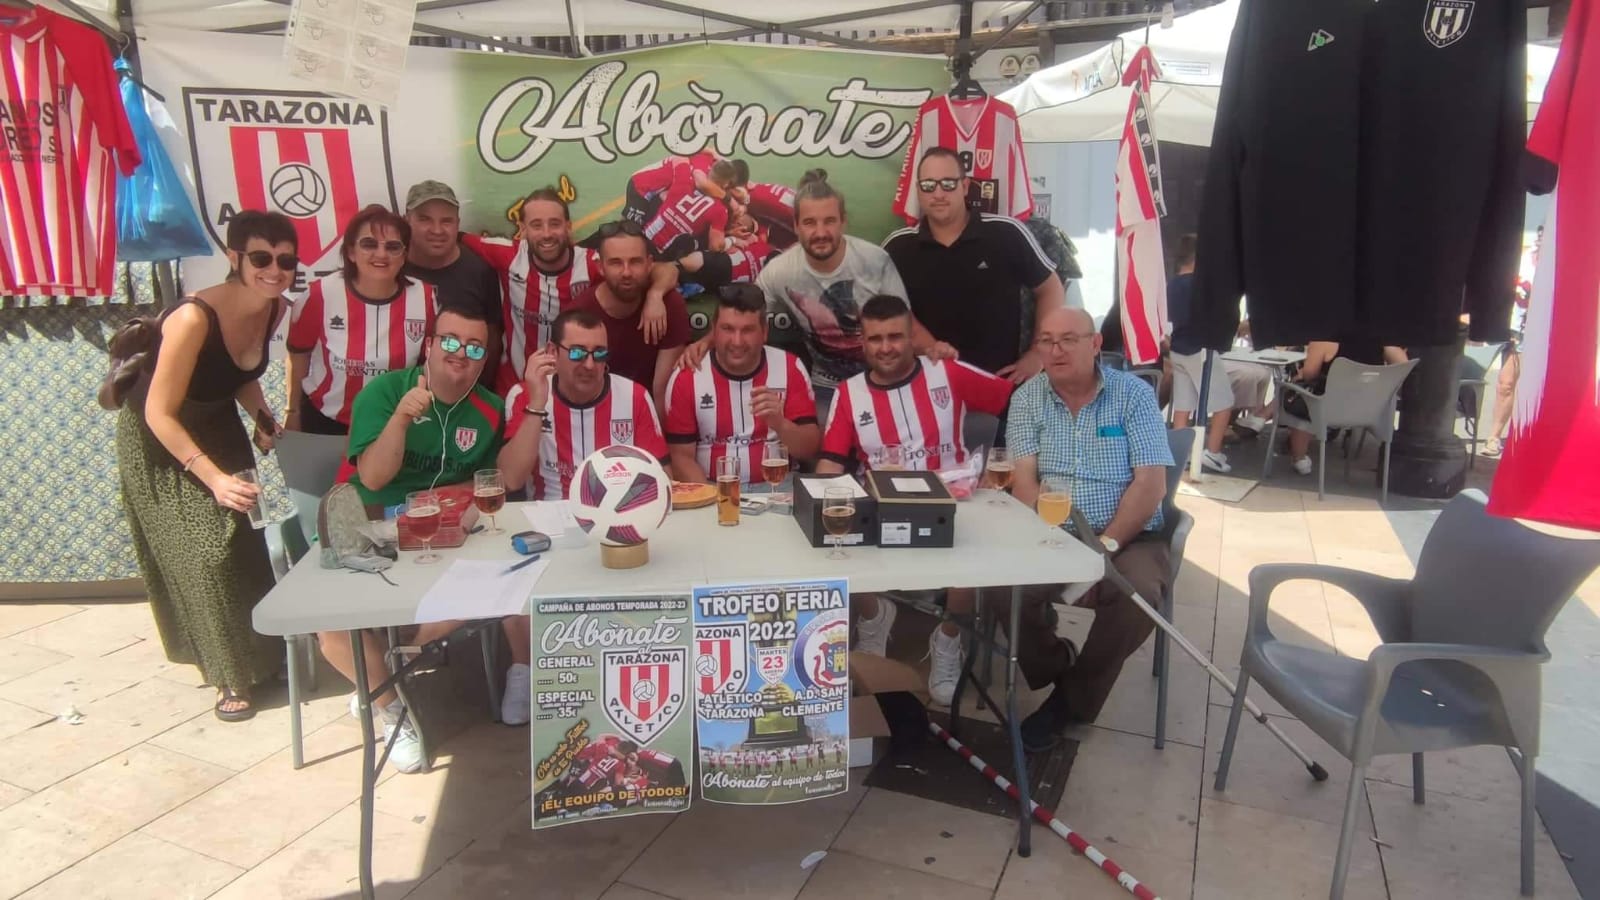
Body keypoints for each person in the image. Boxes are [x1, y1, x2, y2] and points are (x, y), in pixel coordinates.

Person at [316, 306, 545, 768]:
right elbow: (375, 478)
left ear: (484, 360)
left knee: (516, 577)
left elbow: (504, 478)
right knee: (332, 630)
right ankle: (389, 708)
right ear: (430, 345)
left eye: (474, 347)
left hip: (447, 537)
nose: (461, 353)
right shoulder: (384, 392)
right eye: (451, 341)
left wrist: (536, 402)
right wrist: (401, 418)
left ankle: (385, 672)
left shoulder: (489, 407)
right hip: (375, 532)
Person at [115, 210, 298, 722]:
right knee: (205, 552)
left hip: (218, 420)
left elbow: (238, 370)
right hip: (161, 438)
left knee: (245, 539)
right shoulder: (194, 317)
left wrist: (262, 418)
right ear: (234, 257)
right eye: (261, 258)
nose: (274, 270)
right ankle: (230, 675)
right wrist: (212, 477)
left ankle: (264, 652)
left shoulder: (274, 308)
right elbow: (158, 413)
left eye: (285, 260)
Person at [815, 295, 1013, 700]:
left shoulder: (947, 372)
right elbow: (831, 463)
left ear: (911, 339)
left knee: (974, 554)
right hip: (884, 510)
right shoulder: (850, 394)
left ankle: (948, 638)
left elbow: (1012, 399)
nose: (885, 347)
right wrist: (817, 504)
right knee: (833, 533)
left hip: (952, 502)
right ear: (862, 343)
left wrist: (1008, 464)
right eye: (875, 339)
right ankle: (873, 619)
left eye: (894, 337)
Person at [1004, 307, 1175, 750]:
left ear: (1095, 344)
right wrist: (1058, 542)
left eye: (1068, 340)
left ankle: (1070, 701)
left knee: (1139, 595)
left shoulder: (1133, 396)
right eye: (1046, 341)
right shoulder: (1027, 398)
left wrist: (1107, 545)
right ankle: (1053, 661)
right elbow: (1024, 479)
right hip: (1053, 528)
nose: (1055, 350)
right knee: (1004, 585)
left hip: (1130, 533)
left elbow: (1150, 483)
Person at [681, 170, 953, 412]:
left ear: (843, 222)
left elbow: (907, 325)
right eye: (810, 223)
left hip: (884, 379)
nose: (820, 232)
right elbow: (743, 313)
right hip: (826, 386)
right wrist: (703, 343)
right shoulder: (782, 270)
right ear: (796, 226)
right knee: (822, 463)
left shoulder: (873, 260)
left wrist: (937, 352)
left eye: (829, 221)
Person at [883, 147, 1067, 386]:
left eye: (948, 183)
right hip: (924, 391)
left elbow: (1051, 289)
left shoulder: (1006, 233)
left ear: (965, 186)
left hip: (999, 387)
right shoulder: (897, 246)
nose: (938, 193)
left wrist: (1038, 354)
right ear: (918, 190)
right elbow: (886, 315)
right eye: (928, 185)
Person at [465, 188, 673, 391]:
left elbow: (666, 269)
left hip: (572, 392)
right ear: (523, 228)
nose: (546, 234)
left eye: (554, 224)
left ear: (568, 226)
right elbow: (451, 239)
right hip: (514, 387)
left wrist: (655, 296)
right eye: (536, 225)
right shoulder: (506, 254)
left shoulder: (592, 263)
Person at [286, 204, 437, 435]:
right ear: (350, 252)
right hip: (327, 421)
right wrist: (293, 412)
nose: (381, 254)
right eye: (369, 244)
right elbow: (299, 354)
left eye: (393, 247)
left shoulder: (425, 297)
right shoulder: (320, 294)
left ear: (404, 255)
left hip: (393, 423)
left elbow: (429, 362)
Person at [504, 309, 669, 501]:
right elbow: (510, 480)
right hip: (548, 515)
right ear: (552, 352)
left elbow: (662, 477)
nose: (589, 365)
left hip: (618, 515)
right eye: (577, 353)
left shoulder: (635, 396)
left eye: (599, 353)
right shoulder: (524, 395)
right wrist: (537, 405)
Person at [664, 285, 821, 485]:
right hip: (712, 489)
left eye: (747, 330)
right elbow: (680, 458)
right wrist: (716, 503)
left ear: (764, 332)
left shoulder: (790, 368)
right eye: (728, 329)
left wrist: (780, 424)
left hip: (778, 488)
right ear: (714, 331)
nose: (737, 342)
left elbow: (809, 450)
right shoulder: (688, 376)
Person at [570, 221, 692, 406]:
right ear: (600, 267)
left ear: (649, 264)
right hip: (596, 413)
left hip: (648, 412)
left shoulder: (668, 304)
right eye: (616, 262)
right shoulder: (578, 316)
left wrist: (655, 295)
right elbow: (576, 391)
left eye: (635, 262)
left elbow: (662, 390)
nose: (626, 272)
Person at [402, 180, 503, 388]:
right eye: (425, 219)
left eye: (446, 221)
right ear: (407, 221)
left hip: (459, 393)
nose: (437, 230)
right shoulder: (392, 266)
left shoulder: (479, 271)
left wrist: (476, 394)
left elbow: (491, 343)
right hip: (397, 391)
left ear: (458, 223)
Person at [1283, 338, 1408, 475]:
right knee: (1309, 399)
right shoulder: (1380, 341)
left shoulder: (1323, 341)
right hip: (1368, 411)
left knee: (1304, 399)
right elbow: (1403, 366)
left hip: (1328, 410)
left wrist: (1300, 374)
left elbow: (1309, 374)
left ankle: (1300, 459)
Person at [1165, 234, 1234, 473]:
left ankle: (1178, 456)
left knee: (1183, 406)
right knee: (1224, 403)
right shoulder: (1202, 286)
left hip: (1177, 349)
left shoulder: (1171, 285)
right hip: (1201, 349)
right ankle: (1212, 453)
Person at [643, 158, 738, 260]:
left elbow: (680, 157)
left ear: (710, 171)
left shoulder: (685, 179)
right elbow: (715, 246)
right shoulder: (720, 210)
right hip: (661, 257)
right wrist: (732, 240)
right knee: (696, 245)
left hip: (643, 239)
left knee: (660, 197)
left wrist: (700, 169)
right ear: (726, 184)